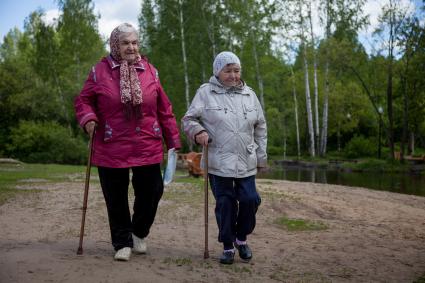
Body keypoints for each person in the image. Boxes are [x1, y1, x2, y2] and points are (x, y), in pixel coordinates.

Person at [74, 23, 181, 261]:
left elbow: (164, 108)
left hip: (147, 141)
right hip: (111, 142)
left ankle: (139, 232)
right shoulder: (99, 71)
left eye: (134, 42)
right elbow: (83, 101)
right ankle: (122, 242)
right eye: (125, 43)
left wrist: (172, 138)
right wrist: (88, 118)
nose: (131, 47)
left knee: (153, 190)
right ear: (115, 45)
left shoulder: (150, 70)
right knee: (115, 196)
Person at [182, 51, 267, 264]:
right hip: (218, 161)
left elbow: (261, 126)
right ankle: (228, 246)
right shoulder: (206, 92)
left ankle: (241, 237)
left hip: (245, 160)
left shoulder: (250, 94)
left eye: (236, 70)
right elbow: (188, 119)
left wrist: (261, 156)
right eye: (227, 70)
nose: (233, 75)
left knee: (250, 199)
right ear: (217, 72)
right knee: (226, 204)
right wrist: (198, 132)